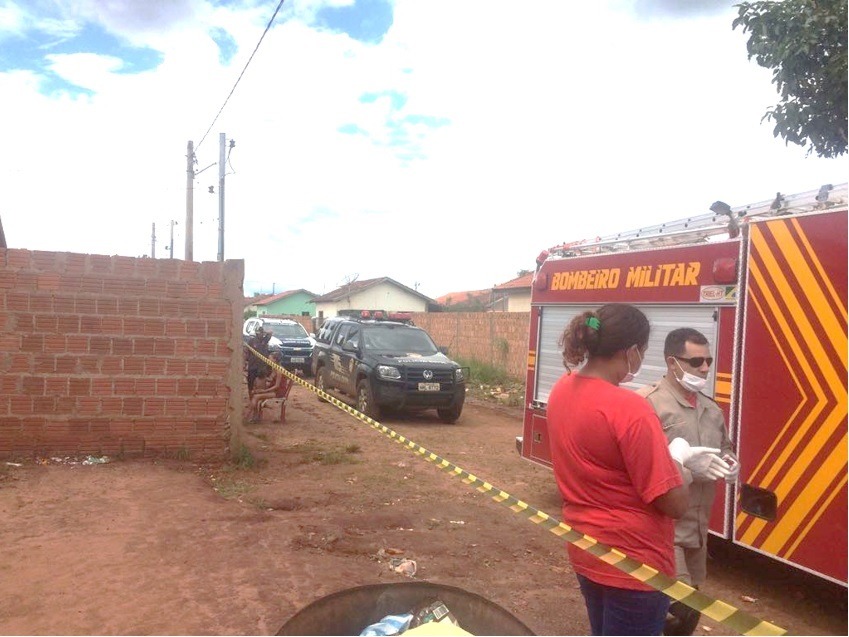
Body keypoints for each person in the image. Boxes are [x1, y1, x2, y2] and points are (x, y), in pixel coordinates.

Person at [546, 304, 728, 636]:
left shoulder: (562, 389)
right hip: (634, 565)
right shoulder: (630, 409)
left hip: (586, 549)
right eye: (642, 351)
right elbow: (673, 504)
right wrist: (678, 458)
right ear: (632, 351)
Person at [636, 328, 738, 636]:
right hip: (663, 529)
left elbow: (725, 448)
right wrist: (688, 468)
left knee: (689, 611)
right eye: (696, 361)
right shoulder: (647, 405)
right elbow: (639, 470)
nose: (705, 368)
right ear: (672, 362)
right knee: (675, 612)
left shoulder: (710, 409)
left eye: (707, 360)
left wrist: (730, 463)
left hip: (697, 530)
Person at [246, 352, 285, 423]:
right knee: (254, 393)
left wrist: (264, 391)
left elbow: (277, 386)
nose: (268, 360)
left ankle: (246, 417)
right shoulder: (274, 368)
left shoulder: (279, 370)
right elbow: (270, 379)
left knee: (256, 397)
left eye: (270, 358)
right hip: (273, 390)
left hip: (278, 392)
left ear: (275, 360)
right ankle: (255, 416)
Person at [245, 325, 271, 393]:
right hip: (253, 365)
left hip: (262, 366)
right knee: (250, 381)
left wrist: (264, 331)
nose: (261, 334)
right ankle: (251, 396)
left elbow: (270, 333)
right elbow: (247, 352)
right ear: (257, 333)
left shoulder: (265, 340)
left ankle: (260, 398)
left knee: (261, 383)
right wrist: (246, 363)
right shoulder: (251, 341)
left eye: (262, 333)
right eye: (260, 333)